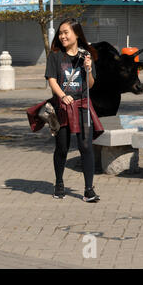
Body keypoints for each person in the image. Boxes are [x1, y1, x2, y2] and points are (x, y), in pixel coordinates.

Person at [44, 18, 104, 203]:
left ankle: (88, 190)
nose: (62, 36)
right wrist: (62, 96)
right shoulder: (55, 55)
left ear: (76, 34)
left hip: (82, 106)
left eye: (66, 32)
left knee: (86, 146)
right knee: (62, 148)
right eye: (60, 33)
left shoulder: (86, 55)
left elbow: (91, 85)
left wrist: (88, 69)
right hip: (62, 107)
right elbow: (52, 79)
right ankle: (59, 184)